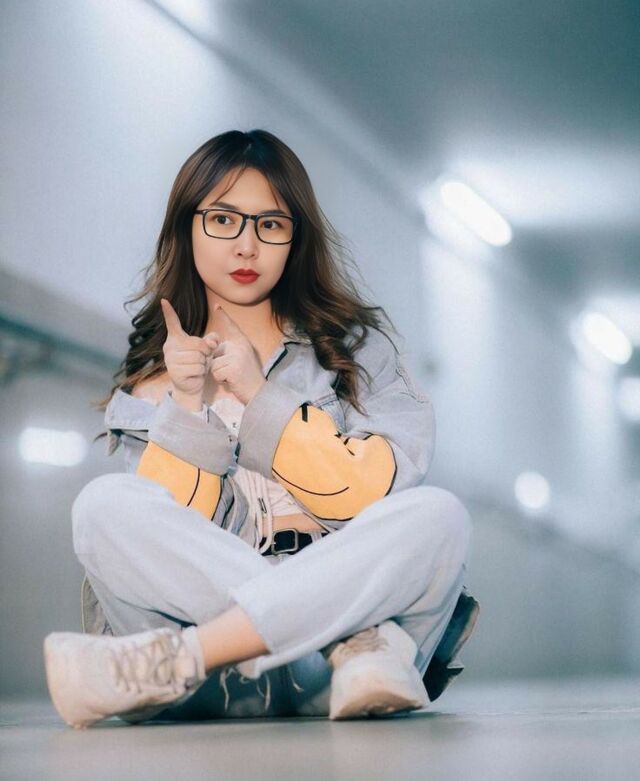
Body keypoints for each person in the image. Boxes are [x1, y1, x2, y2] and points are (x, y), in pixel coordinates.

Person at [43, 129, 479, 729]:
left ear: (295, 238)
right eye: (224, 220)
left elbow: (372, 496)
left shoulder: (355, 353)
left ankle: (177, 659)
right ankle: (336, 634)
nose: (246, 246)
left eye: (271, 225)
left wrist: (260, 396)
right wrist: (187, 405)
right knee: (102, 506)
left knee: (438, 515)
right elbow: (172, 545)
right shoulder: (151, 383)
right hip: (252, 673)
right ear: (187, 228)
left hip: (340, 677)